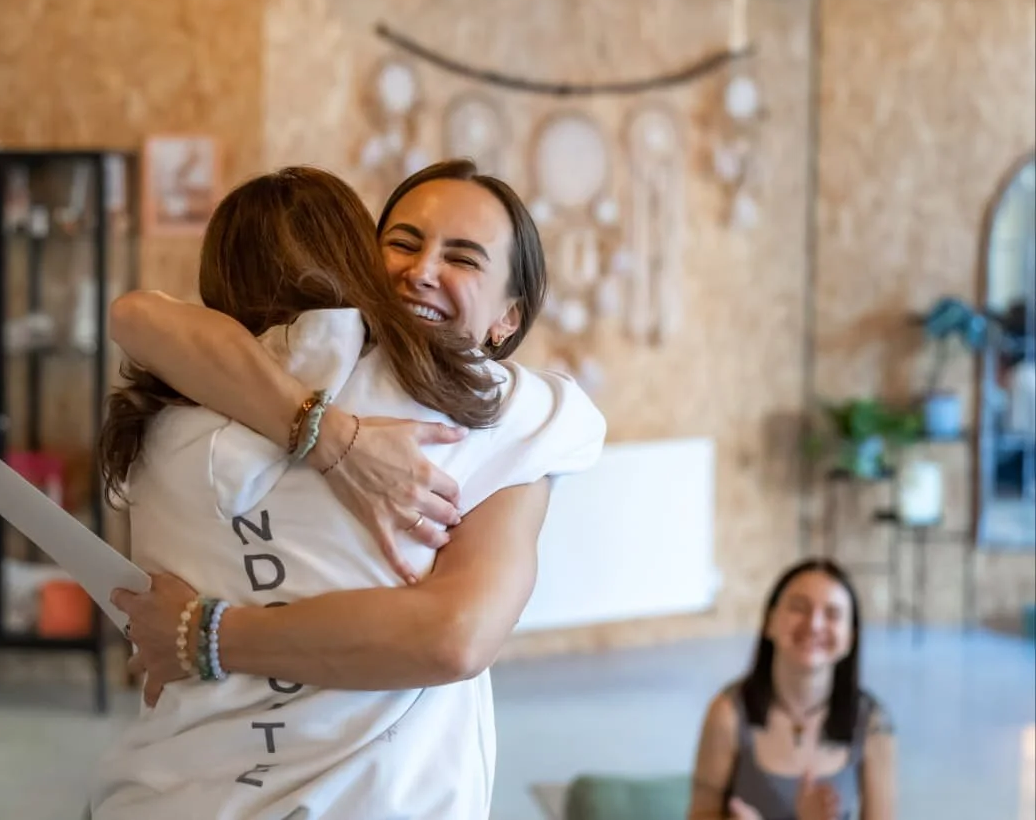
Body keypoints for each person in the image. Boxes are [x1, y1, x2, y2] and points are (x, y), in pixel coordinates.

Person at [90, 163, 606, 820]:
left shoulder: (161, 414)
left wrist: (201, 632)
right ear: (359, 256)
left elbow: (135, 315)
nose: (422, 270)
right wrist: (333, 439)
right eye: (402, 243)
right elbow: (456, 638)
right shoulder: (496, 412)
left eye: (461, 257)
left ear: (509, 315)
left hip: (161, 794)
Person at [687, 559, 896, 820]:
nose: (814, 624)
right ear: (769, 621)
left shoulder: (873, 723)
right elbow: (699, 814)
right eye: (799, 608)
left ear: (850, 638)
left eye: (832, 614)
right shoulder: (727, 713)